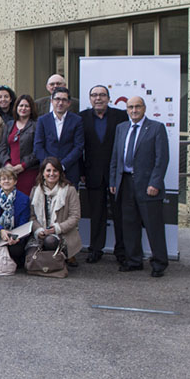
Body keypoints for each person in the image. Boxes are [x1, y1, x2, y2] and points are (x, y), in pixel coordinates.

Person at [109, 96, 170, 277]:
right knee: (129, 224)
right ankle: (134, 260)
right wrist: (113, 181)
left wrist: (155, 183)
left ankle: (159, 263)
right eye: (130, 107)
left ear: (144, 108)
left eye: (137, 107)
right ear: (126, 109)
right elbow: (115, 157)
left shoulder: (156, 128)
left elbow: (162, 159)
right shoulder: (121, 128)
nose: (134, 110)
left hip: (147, 185)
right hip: (125, 183)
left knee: (153, 226)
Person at [80, 85, 129, 264]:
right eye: (94, 95)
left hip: (117, 174)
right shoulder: (82, 117)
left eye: (102, 95)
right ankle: (95, 249)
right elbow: (79, 147)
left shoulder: (121, 116)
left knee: (119, 214)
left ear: (109, 98)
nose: (98, 98)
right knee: (97, 214)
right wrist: (81, 171)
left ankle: (121, 251)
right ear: (90, 98)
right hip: (92, 174)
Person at [29, 157, 82, 268]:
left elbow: (75, 216)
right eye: (48, 170)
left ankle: (61, 257)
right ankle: (51, 260)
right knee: (28, 259)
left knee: (50, 241)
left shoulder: (70, 190)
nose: (51, 174)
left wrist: (57, 228)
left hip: (62, 234)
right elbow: (32, 216)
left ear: (60, 173)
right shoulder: (35, 190)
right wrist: (38, 230)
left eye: (55, 170)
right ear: (43, 173)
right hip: (40, 232)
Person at [33, 87, 85, 186]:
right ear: (52, 101)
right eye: (57, 99)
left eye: (64, 100)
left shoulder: (77, 120)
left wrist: (62, 165)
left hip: (69, 171)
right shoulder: (42, 120)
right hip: (48, 172)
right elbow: (38, 146)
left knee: (69, 201)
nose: (60, 103)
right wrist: (49, 166)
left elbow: (78, 147)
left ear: (69, 103)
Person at [0, 94, 39, 196]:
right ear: (16, 108)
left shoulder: (36, 125)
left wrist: (23, 166)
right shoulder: (9, 125)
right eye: (21, 106)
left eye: (26, 106)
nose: (23, 108)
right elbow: (2, 148)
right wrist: (7, 164)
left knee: (25, 201)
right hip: (9, 172)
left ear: (31, 108)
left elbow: (37, 150)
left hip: (28, 171)